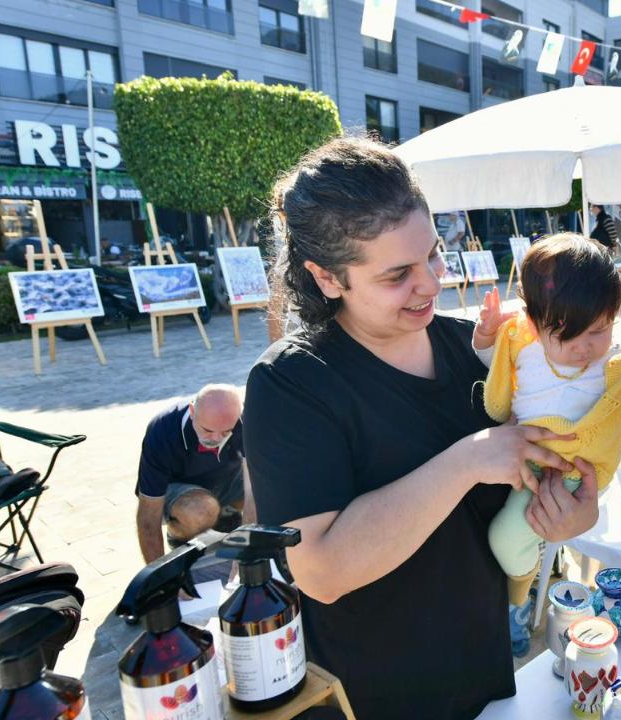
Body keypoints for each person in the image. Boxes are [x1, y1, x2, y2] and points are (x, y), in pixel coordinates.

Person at [243, 136, 599, 720]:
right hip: (373, 692)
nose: (432, 283)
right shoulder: (292, 385)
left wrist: (571, 513)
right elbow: (322, 572)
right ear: (328, 278)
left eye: (433, 254)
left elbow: (529, 482)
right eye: (397, 275)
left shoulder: (475, 349)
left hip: (483, 665)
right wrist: (468, 461)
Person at [473, 235, 621, 607]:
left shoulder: (618, 365)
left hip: (575, 473)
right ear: (533, 322)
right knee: (504, 540)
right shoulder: (522, 344)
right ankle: (525, 586)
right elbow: (492, 366)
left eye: (598, 330)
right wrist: (485, 336)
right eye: (565, 334)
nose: (584, 347)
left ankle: (518, 600)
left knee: (507, 537)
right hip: (525, 460)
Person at [135, 384, 252, 565]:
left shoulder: (246, 422)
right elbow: (148, 515)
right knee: (200, 508)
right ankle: (181, 533)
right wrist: (160, 579)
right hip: (181, 493)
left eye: (226, 431)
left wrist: (245, 555)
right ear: (192, 411)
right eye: (207, 430)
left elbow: (255, 495)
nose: (216, 439)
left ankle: (224, 517)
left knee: (274, 486)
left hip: (225, 480)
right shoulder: (162, 430)